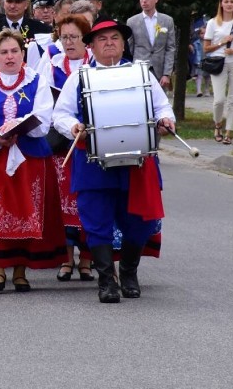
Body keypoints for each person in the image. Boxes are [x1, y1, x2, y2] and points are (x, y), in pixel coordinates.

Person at [52, 19, 175, 303]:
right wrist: (73, 127)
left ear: (123, 43)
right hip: (93, 160)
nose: (109, 43)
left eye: (115, 38)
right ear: (91, 46)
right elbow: (60, 114)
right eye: (102, 39)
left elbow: (162, 106)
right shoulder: (79, 77)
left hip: (137, 161)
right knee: (96, 221)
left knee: (140, 221)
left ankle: (129, 273)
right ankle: (107, 281)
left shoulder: (141, 73)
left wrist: (166, 119)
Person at [0, 30, 67, 293]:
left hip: (30, 156)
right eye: (4, 52)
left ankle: (21, 272)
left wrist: (21, 128)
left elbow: (44, 116)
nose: (9, 56)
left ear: (23, 54)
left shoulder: (37, 81)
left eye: (14, 51)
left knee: (27, 211)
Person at [37, 14, 95, 281]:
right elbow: (40, 94)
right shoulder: (51, 60)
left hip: (91, 141)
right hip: (61, 141)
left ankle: (86, 259)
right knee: (63, 202)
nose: (68, 42)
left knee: (88, 202)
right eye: (63, 37)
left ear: (86, 38)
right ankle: (65, 259)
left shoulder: (95, 62)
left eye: (74, 37)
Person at [203, 0, 233, 145]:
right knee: (219, 100)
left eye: (232, 2)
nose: (229, 4)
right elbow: (206, 48)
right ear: (221, 4)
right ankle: (218, 125)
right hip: (218, 61)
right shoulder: (212, 23)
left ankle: (230, 131)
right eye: (226, 1)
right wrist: (222, 43)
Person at [126, 0, 177, 89]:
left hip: (160, 72)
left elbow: (170, 48)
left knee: (160, 104)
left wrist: (167, 74)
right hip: (139, 70)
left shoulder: (167, 21)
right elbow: (129, 49)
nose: (144, 0)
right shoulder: (132, 22)